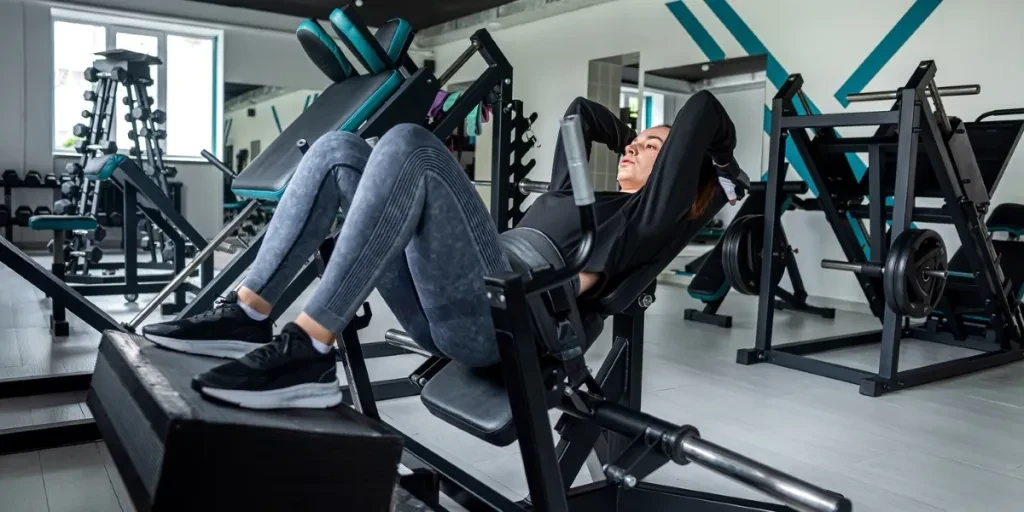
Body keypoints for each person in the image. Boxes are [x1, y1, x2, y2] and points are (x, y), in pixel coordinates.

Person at [142, 90, 744, 410]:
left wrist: (719, 161)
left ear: (680, 171)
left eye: (654, 144)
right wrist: (622, 132)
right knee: (336, 150)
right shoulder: (577, 192)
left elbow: (702, 113)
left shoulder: (645, 219)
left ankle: (309, 345)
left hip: (510, 313)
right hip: (462, 292)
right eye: (637, 140)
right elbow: (577, 115)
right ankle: (250, 312)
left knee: (413, 146)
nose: (638, 146)